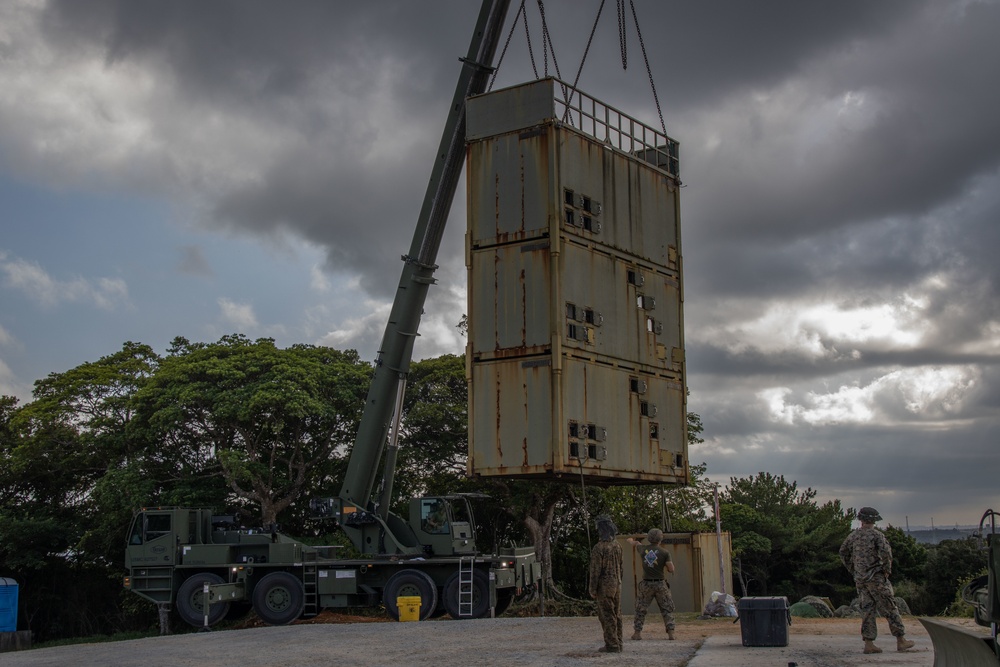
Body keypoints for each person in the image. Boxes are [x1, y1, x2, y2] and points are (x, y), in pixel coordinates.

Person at [839, 506, 915, 654]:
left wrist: (853, 569)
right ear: (874, 520)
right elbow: (886, 554)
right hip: (876, 577)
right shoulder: (876, 535)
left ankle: (869, 643)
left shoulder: (853, 536)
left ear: (861, 519)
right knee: (890, 607)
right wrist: (886, 570)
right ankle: (901, 640)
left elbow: (843, 552)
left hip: (860, 579)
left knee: (867, 610)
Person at [626, 528, 676, 640]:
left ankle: (637, 633)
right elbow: (671, 569)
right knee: (666, 608)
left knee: (641, 609)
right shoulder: (665, 552)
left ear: (649, 538)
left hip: (646, 584)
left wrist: (629, 540)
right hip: (660, 584)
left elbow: (636, 543)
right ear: (660, 538)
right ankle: (671, 632)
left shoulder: (643, 550)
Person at [588, 515, 623, 653]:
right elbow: (621, 566)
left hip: (605, 585)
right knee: (617, 613)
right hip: (617, 583)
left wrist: (592, 588)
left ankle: (612, 644)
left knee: (607, 615)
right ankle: (619, 642)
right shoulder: (617, 546)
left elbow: (595, 571)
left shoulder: (599, 548)